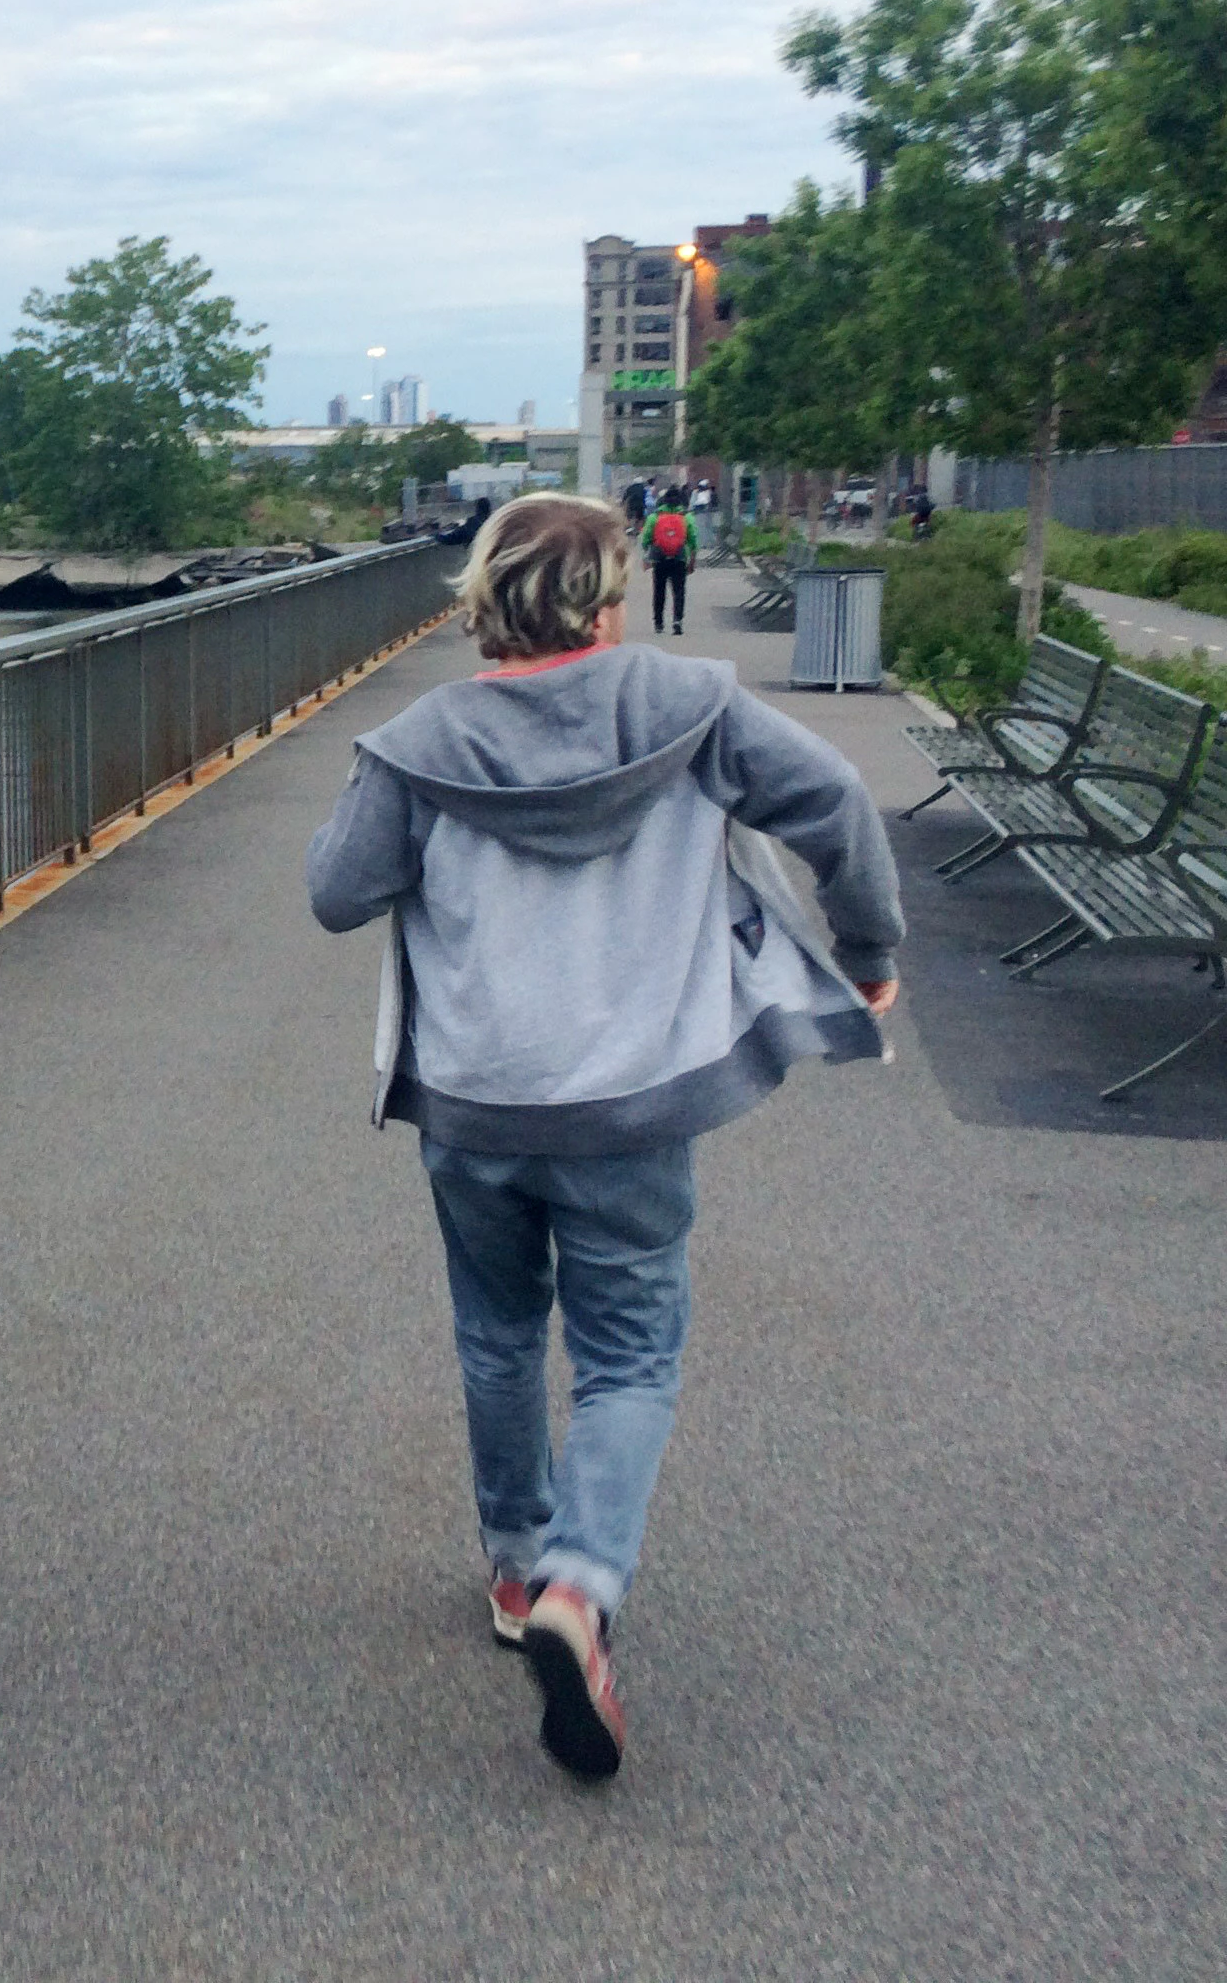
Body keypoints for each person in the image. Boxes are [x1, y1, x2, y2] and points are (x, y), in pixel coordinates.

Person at [304, 494, 900, 1781]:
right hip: (633, 1103)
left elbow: (336, 894)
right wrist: (868, 950)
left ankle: (520, 1569)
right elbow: (837, 798)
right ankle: (583, 1584)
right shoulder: (691, 710)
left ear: (483, 600)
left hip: (475, 1099)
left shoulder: (416, 744)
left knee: (499, 1334)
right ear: (610, 602)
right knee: (629, 1358)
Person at [641, 484, 696, 635]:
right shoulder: (687, 517)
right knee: (679, 590)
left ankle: (658, 623)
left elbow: (645, 539)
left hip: (660, 558)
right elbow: (693, 540)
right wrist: (692, 560)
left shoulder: (654, 517)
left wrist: (647, 556)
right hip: (679, 557)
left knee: (659, 590)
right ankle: (677, 620)